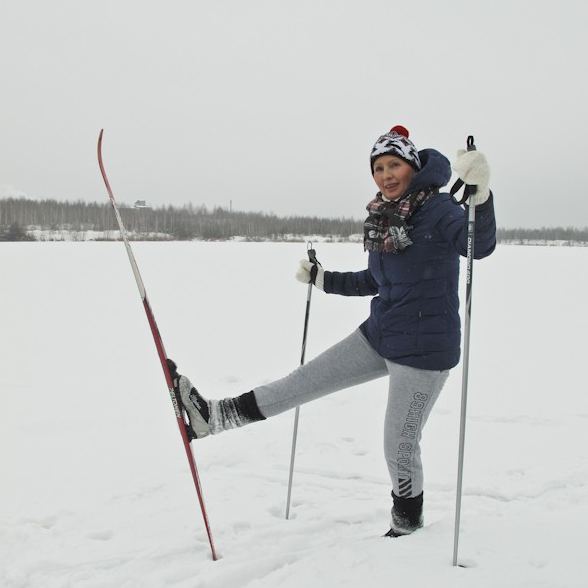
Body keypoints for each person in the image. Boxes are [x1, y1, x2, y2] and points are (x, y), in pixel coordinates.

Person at [169, 126, 496, 537]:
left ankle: (408, 525)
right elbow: (377, 280)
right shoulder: (385, 216)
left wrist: (480, 197)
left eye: (394, 165)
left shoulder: (442, 209)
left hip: (425, 350)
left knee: (399, 444)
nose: (386, 175)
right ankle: (213, 417)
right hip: (382, 333)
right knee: (301, 383)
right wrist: (323, 279)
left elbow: (478, 245)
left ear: (413, 166)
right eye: (378, 168)